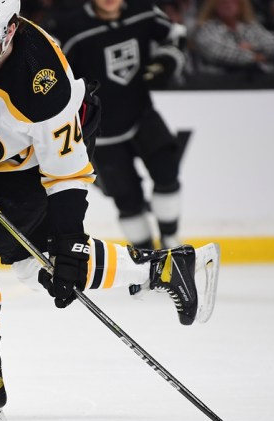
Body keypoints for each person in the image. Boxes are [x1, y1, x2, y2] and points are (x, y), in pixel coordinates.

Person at [0, 0, 221, 421]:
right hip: (5, 158)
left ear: (9, 30)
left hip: (38, 161)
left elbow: (67, 174)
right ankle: (170, 267)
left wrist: (72, 241)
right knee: (37, 267)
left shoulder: (41, 83)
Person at [50, 0, 188, 250]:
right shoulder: (69, 28)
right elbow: (51, 73)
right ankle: (146, 254)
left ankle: (171, 240)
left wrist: (166, 61)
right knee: (128, 200)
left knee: (167, 172)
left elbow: (175, 35)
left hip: (141, 114)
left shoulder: (144, 11)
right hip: (100, 132)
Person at [193, 0, 274, 75]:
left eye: (232, 1)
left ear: (241, 4)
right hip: (220, 83)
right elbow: (219, 53)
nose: (227, 4)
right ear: (213, 5)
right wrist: (255, 57)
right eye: (222, 1)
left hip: (262, 81)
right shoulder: (206, 29)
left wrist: (252, 46)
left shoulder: (251, 27)